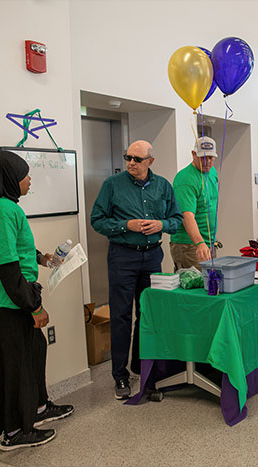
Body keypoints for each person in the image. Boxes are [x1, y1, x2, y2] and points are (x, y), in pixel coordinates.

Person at [0, 150, 73, 451]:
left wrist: (43, 258)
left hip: (10, 296)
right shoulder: (1, 211)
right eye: (25, 175)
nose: (29, 180)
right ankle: (14, 432)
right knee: (14, 364)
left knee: (34, 351)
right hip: (6, 301)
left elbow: (15, 249)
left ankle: (38, 408)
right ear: (10, 179)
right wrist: (35, 307)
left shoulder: (4, 207)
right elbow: (6, 268)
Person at [90, 140, 182, 399]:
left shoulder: (163, 185)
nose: (130, 162)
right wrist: (124, 226)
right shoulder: (112, 185)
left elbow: (175, 221)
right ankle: (120, 376)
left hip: (152, 257)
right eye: (128, 157)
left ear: (150, 162)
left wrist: (160, 224)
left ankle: (141, 366)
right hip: (122, 256)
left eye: (136, 159)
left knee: (148, 314)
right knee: (121, 316)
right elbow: (96, 220)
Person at [170, 136, 219, 270]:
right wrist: (200, 243)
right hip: (190, 245)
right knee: (197, 287)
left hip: (207, 242)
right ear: (193, 154)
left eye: (211, 157)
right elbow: (187, 216)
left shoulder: (212, 172)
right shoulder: (186, 180)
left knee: (211, 283)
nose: (208, 162)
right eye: (203, 157)